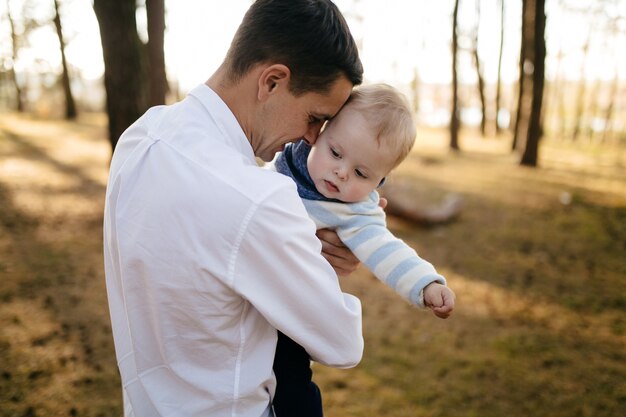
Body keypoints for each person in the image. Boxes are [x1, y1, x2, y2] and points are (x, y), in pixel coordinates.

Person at [102, 1, 368, 416]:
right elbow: (342, 341)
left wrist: (296, 250)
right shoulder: (259, 198)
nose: (313, 139)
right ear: (273, 81)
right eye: (315, 117)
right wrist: (318, 262)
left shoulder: (141, 136)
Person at [269, 84, 457, 417]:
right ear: (319, 134)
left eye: (360, 173)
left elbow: (386, 250)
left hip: (291, 317)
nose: (341, 172)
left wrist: (425, 284)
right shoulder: (279, 164)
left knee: (293, 390)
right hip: (244, 296)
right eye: (336, 153)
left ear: (379, 182)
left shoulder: (356, 213)